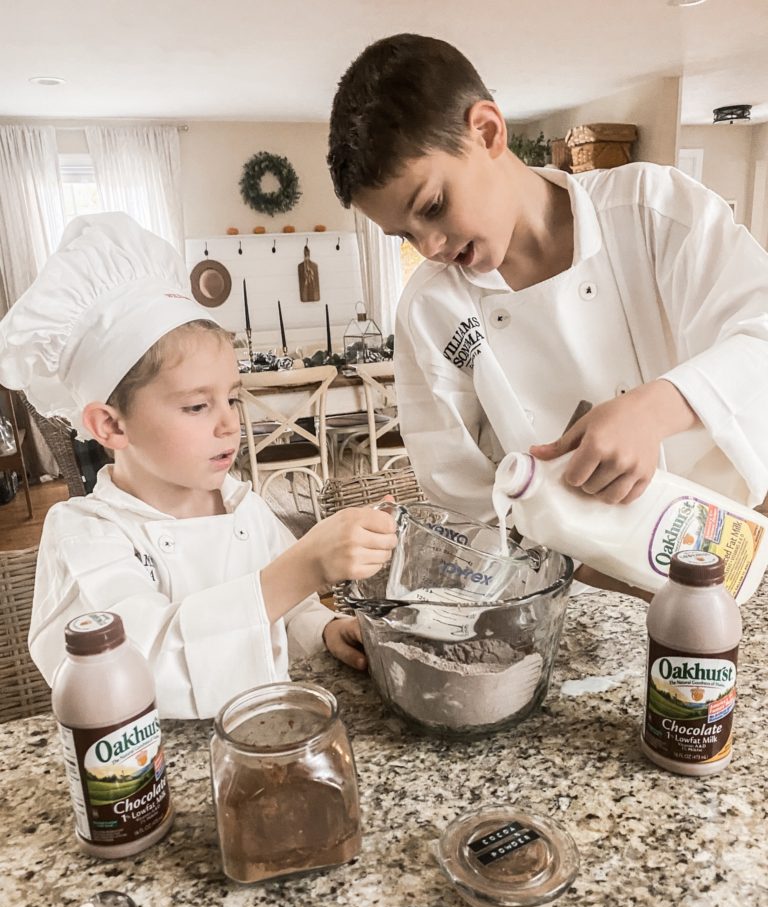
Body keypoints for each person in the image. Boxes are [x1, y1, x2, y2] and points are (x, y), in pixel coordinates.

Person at [327, 34, 768, 592]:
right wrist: (590, 569)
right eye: (405, 234)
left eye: (433, 207)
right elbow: (464, 506)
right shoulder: (429, 310)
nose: (431, 245)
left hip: (734, 566)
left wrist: (652, 410)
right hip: (571, 599)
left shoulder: (652, 210)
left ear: (486, 131)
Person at [0, 213, 397, 718]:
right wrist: (306, 565)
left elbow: (285, 605)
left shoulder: (238, 503)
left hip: (266, 739)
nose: (230, 424)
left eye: (230, 399)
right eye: (195, 406)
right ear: (111, 426)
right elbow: (141, 667)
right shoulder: (85, 535)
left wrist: (320, 627)